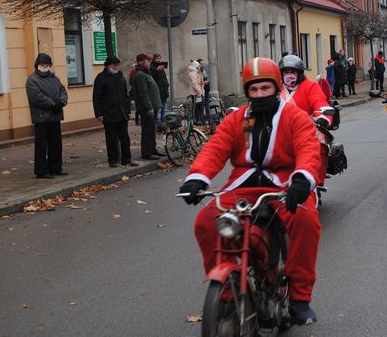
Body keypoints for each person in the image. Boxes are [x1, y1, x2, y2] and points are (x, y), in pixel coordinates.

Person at [179, 57, 322, 325]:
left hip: (284, 183)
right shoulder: (236, 119)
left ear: (276, 87)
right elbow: (216, 148)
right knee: (207, 221)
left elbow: (308, 148)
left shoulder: (294, 116)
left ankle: (300, 297)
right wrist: (197, 178)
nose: (259, 94)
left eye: (265, 89)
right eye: (253, 90)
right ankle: (226, 289)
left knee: (305, 219)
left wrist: (302, 180)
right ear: (247, 91)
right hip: (244, 183)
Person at [280, 54, 333, 187]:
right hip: (279, 130)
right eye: (286, 72)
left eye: (293, 72)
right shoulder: (276, 88)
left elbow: (320, 102)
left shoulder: (310, 86)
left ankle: (316, 180)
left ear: (300, 73)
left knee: (319, 141)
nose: (289, 75)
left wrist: (323, 116)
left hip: (307, 128)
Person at [25, 53, 68, 179]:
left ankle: (55, 168)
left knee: (56, 144)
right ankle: (41, 171)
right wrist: (53, 103)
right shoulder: (32, 80)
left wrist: (62, 101)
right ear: (37, 65)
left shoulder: (55, 78)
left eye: (48, 64)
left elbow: (63, 91)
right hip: (41, 117)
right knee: (41, 146)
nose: (45, 66)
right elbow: (36, 97)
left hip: (55, 116)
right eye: (43, 64)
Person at [93, 56, 138, 168]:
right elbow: (96, 97)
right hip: (108, 113)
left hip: (122, 112)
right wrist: (99, 114)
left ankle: (127, 159)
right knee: (111, 138)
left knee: (125, 138)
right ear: (108, 66)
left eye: (118, 65)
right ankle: (113, 160)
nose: (117, 67)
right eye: (114, 65)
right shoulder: (101, 78)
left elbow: (125, 95)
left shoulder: (120, 76)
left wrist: (128, 110)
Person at [132, 53, 162, 160]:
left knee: (151, 130)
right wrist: (149, 108)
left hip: (152, 107)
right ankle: (147, 153)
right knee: (147, 131)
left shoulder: (145, 73)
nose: (150, 63)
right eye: (148, 61)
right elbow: (143, 93)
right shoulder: (140, 75)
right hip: (146, 109)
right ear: (142, 62)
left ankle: (153, 150)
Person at [150, 54, 169, 131]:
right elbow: (152, 78)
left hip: (164, 91)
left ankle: (163, 124)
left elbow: (164, 79)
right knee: (158, 109)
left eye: (160, 58)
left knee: (164, 109)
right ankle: (158, 125)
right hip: (158, 92)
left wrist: (167, 85)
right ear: (154, 59)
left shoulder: (161, 67)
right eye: (158, 58)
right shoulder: (152, 67)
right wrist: (156, 70)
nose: (159, 60)